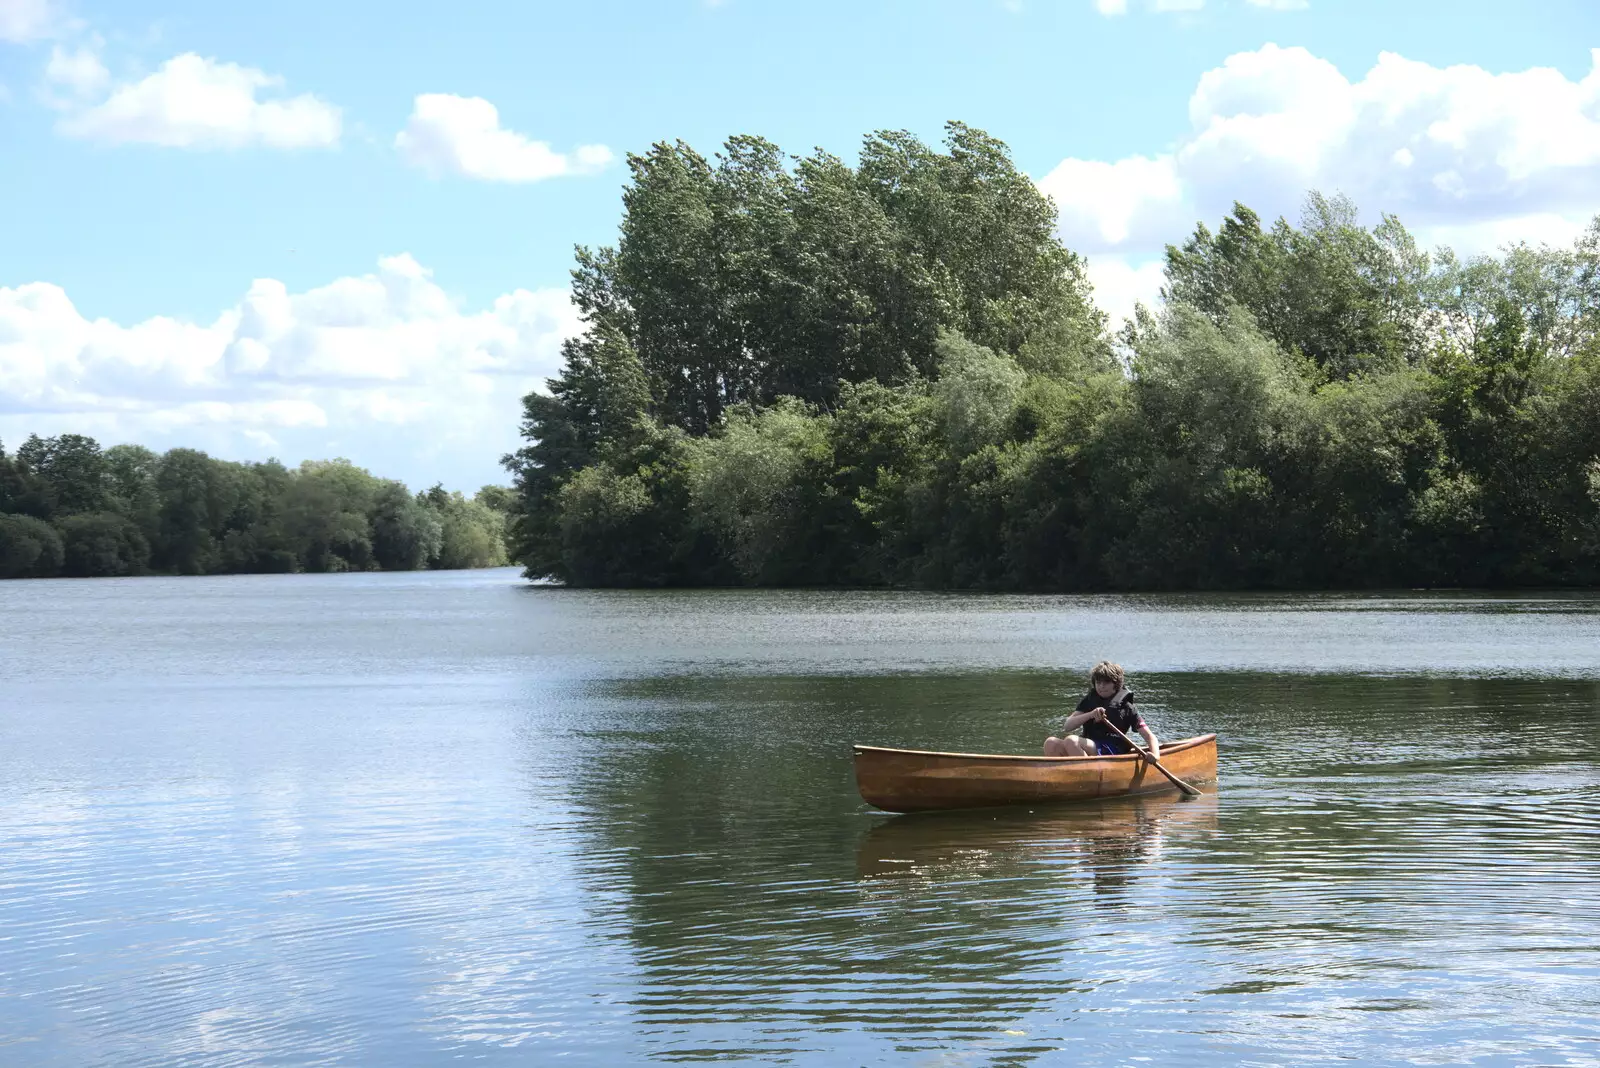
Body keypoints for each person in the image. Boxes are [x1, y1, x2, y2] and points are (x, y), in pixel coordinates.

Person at [1043, 661, 1161, 760]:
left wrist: (1155, 755)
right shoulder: (1089, 701)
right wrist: (1091, 714)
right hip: (1089, 744)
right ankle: (1063, 778)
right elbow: (1067, 726)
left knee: (1071, 741)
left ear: (1116, 684)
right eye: (1098, 682)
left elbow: (1149, 736)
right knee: (1050, 742)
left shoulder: (1127, 707)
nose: (1101, 686)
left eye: (1106, 682)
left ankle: (1086, 778)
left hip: (1112, 748)